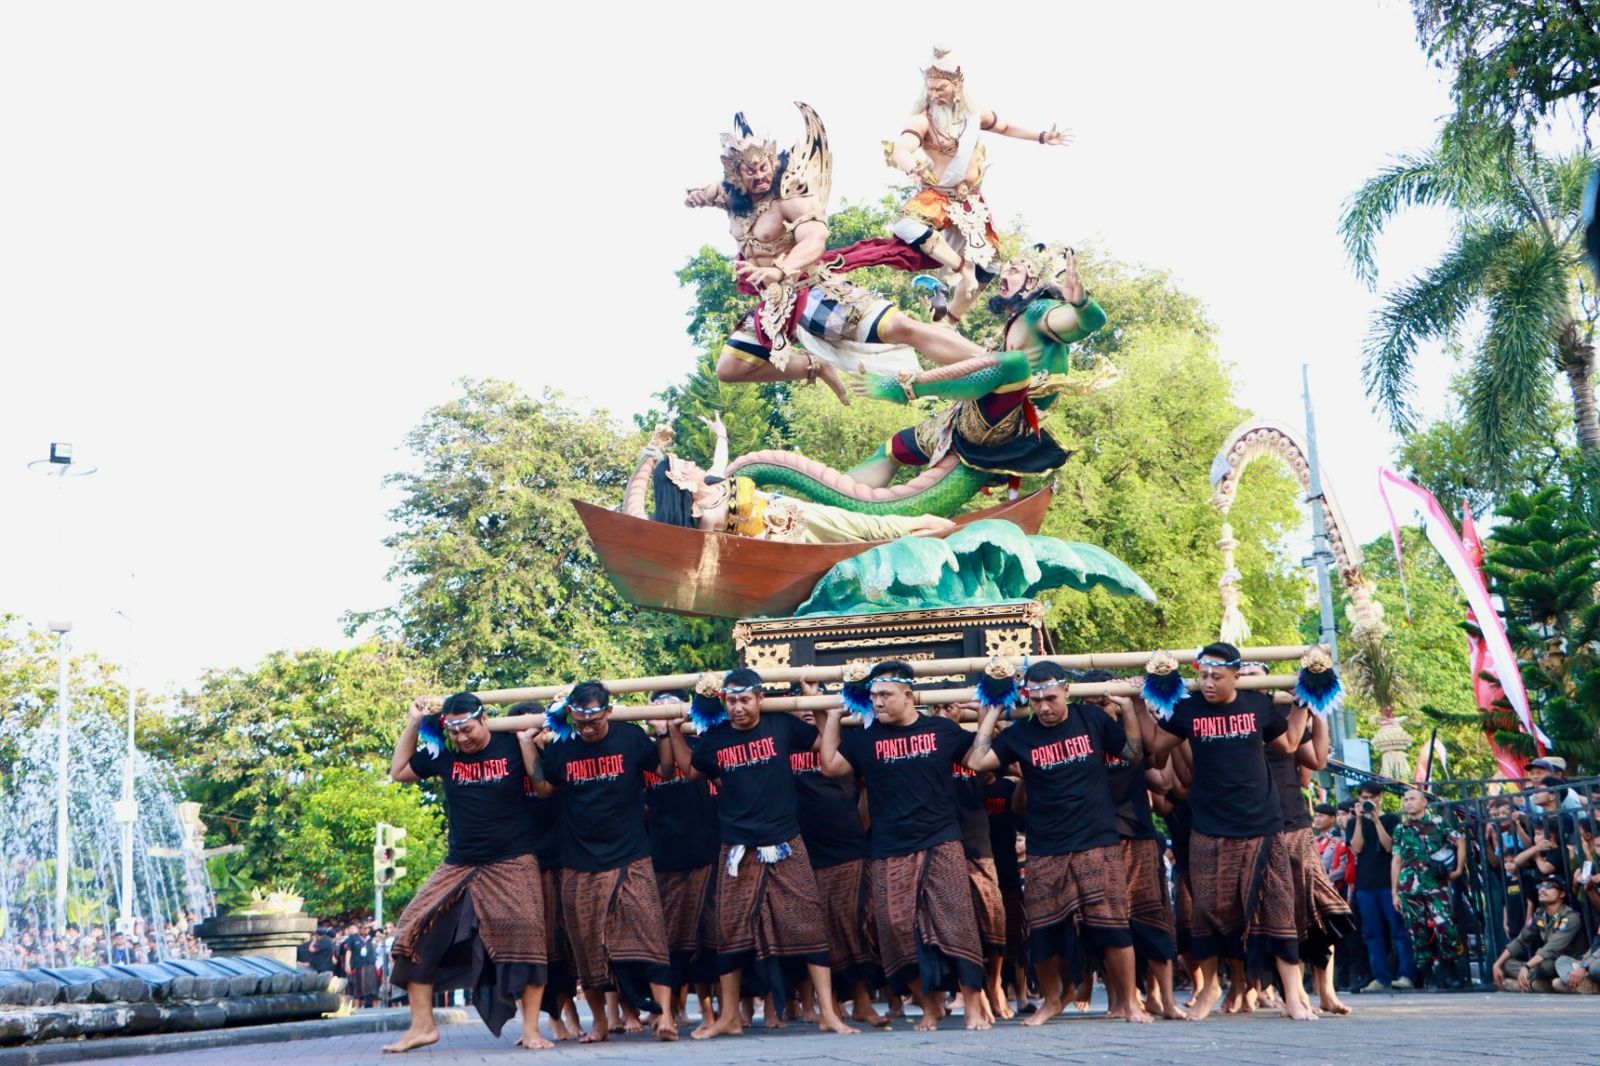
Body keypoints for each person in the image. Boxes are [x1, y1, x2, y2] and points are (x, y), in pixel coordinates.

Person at [684, 105, 1000, 403]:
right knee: (730, 369)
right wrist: (700, 196)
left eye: (763, 166)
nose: (759, 175)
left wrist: (781, 270)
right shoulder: (733, 196)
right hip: (775, 306)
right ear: (736, 174)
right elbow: (714, 190)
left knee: (902, 328)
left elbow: (815, 239)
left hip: (813, 292)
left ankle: (990, 360)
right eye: (749, 171)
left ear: (773, 162)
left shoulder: (789, 197)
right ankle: (814, 365)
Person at [664, 668, 859, 1039]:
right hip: (737, 845)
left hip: (786, 840)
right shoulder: (716, 738)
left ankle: (828, 1013)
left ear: (760, 698)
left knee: (809, 923)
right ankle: (727, 1017)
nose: (738, 707)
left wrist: (818, 701)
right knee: (730, 928)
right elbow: (690, 771)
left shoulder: (781, 726)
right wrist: (673, 731)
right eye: (731, 701)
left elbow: (822, 742)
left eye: (745, 700)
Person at [965, 661, 1151, 1025]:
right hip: (1045, 844)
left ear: (1066, 691)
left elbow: (1133, 754)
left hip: (1096, 838)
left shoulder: (1092, 720)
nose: (1045, 707)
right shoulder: (1021, 734)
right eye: (1036, 701)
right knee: (1044, 928)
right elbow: (976, 761)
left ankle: (1129, 1003)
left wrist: (1129, 708)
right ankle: (1051, 1001)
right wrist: (993, 713)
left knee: (1112, 925)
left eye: (1051, 698)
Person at [1142, 642, 1315, 1021]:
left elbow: (1287, 743)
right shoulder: (1188, 709)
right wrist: (1138, 702)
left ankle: (1294, 996)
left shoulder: (1257, 706)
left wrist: (1303, 702)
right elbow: (1154, 746)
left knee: (1278, 906)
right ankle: (1209, 988)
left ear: (1236, 676)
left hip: (1262, 823)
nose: (1207, 683)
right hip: (1209, 825)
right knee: (1208, 909)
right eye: (1202, 675)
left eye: (1216, 677)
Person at [852, 245, 1112, 496]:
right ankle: (834, 502)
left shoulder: (1039, 311)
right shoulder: (1015, 323)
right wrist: (940, 324)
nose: (1004, 274)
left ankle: (905, 389)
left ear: (1032, 284)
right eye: (1006, 268)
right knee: (891, 450)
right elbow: (973, 359)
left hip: (1005, 421)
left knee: (1014, 363)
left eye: (1014, 271)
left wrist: (1080, 302)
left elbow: (1090, 322)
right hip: (966, 419)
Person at [818, 661, 991, 1031]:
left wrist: (988, 716)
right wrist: (832, 716)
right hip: (889, 846)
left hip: (941, 839)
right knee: (896, 929)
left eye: (885, 695)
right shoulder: (866, 739)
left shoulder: (942, 730)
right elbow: (831, 766)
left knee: (955, 923)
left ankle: (973, 1007)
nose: (877, 702)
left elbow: (977, 760)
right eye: (874, 695)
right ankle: (930, 1007)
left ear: (908, 695)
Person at [385, 692, 549, 1053]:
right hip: (460, 862)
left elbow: (543, 788)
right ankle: (422, 1026)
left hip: (513, 859)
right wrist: (413, 722)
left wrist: (527, 742)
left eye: (468, 730)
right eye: (454, 732)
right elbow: (398, 772)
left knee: (528, 936)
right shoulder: (443, 753)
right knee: (411, 930)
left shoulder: (510, 743)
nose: (462, 738)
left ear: (484, 719)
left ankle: (533, 1029)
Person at [520, 681, 679, 1043]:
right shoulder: (563, 747)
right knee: (587, 945)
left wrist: (664, 734)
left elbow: (666, 769)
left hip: (631, 855)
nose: (587, 728)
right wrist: (526, 743)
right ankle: (600, 1023)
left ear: (607, 711)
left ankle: (665, 1015)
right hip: (580, 861)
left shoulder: (630, 737)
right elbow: (544, 788)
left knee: (650, 934)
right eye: (580, 721)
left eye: (593, 720)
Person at [886, 46, 1072, 323]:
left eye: (941, 87)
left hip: (971, 200)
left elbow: (1006, 127)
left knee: (991, 264)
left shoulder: (974, 117)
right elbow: (901, 148)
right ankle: (962, 268)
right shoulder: (922, 120)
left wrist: (1043, 137)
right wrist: (912, 166)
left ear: (957, 87)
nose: (934, 94)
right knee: (906, 225)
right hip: (938, 196)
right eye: (930, 88)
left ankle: (949, 320)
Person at [626, 414, 954, 543]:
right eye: (685, 464)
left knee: (871, 526)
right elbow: (637, 513)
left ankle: (946, 529)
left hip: (802, 515)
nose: (693, 463)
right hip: (790, 545)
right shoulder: (707, 519)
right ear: (679, 481)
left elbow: (718, 462)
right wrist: (653, 452)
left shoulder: (714, 484)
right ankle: (939, 535)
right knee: (869, 542)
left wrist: (721, 435)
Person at [789, 683, 887, 1028]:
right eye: (800, 701)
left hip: (848, 845)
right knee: (817, 930)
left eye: (817, 701)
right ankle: (825, 1005)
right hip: (802, 850)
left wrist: (861, 826)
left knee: (854, 925)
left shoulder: (847, 742)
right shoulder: (785, 741)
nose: (806, 708)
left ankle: (862, 1002)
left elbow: (869, 787)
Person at [1091, 677, 1186, 1020]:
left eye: (1105, 704)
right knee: (1109, 926)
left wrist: (1151, 720)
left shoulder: (1128, 736)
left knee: (1152, 920)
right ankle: (1121, 999)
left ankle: (1167, 1000)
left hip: (1139, 837)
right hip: (1097, 841)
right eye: (1094, 706)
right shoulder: (1081, 741)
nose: (1101, 712)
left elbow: (1162, 778)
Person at [1262, 688, 1353, 1014]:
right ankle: (1295, 994)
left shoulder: (1287, 713)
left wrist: (1318, 711)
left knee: (1318, 907)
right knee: (1281, 912)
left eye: (1259, 675)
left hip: (1295, 822)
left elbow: (1314, 762)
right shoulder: (1239, 716)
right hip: (1257, 827)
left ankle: (1327, 991)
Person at [641, 690, 720, 1028]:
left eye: (672, 705)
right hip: (660, 858)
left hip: (704, 852)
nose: (665, 712)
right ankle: (667, 1013)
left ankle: (707, 1011)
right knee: (665, 941)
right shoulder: (643, 753)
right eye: (657, 707)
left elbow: (691, 773)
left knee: (705, 940)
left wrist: (673, 730)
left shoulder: (699, 744)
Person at [933, 699, 1010, 1021]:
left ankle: (995, 984)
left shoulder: (970, 745)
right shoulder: (928, 742)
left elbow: (989, 757)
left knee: (992, 919)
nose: (942, 713)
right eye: (935, 708)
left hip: (977, 843)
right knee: (945, 923)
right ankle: (959, 991)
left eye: (948, 707)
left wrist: (979, 714)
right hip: (938, 843)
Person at [510, 700, 580, 1041]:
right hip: (521, 864)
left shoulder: (559, 755)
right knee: (530, 947)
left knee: (565, 946)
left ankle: (562, 1014)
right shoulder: (505, 765)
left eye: (535, 724)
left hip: (564, 859)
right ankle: (538, 1021)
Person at [1390, 788, 1468, 989]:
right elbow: (1396, 859)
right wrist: (1394, 892)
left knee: (1445, 925)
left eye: (1412, 799)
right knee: (1417, 931)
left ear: (1424, 802)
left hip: (1435, 883)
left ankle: (1449, 972)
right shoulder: (1401, 828)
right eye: (1405, 799)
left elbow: (1460, 840)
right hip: (1409, 885)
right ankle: (1428, 976)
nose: (1408, 802)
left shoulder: (1438, 823)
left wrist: (1458, 869)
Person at [1347, 781, 1416, 992]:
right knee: (1371, 932)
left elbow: (1389, 847)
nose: (1367, 802)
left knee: (1398, 931)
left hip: (1388, 883)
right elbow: (1356, 848)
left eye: (1371, 798)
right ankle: (1380, 977)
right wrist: (1360, 820)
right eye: (1363, 798)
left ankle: (1406, 975)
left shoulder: (1392, 820)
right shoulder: (1353, 822)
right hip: (1365, 885)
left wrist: (1376, 820)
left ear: (1379, 798)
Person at [1493, 878, 1590, 992]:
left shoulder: (1570, 917)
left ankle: (1530, 983)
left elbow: (1551, 949)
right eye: (1540, 886)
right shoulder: (1540, 914)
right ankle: (1537, 983)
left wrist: (1526, 967)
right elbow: (1521, 941)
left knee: (1544, 966)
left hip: (1567, 963)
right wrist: (1497, 964)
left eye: (1549, 886)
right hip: (1544, 962)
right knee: (1506, 965)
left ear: (1562, 893)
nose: (1542, 890)